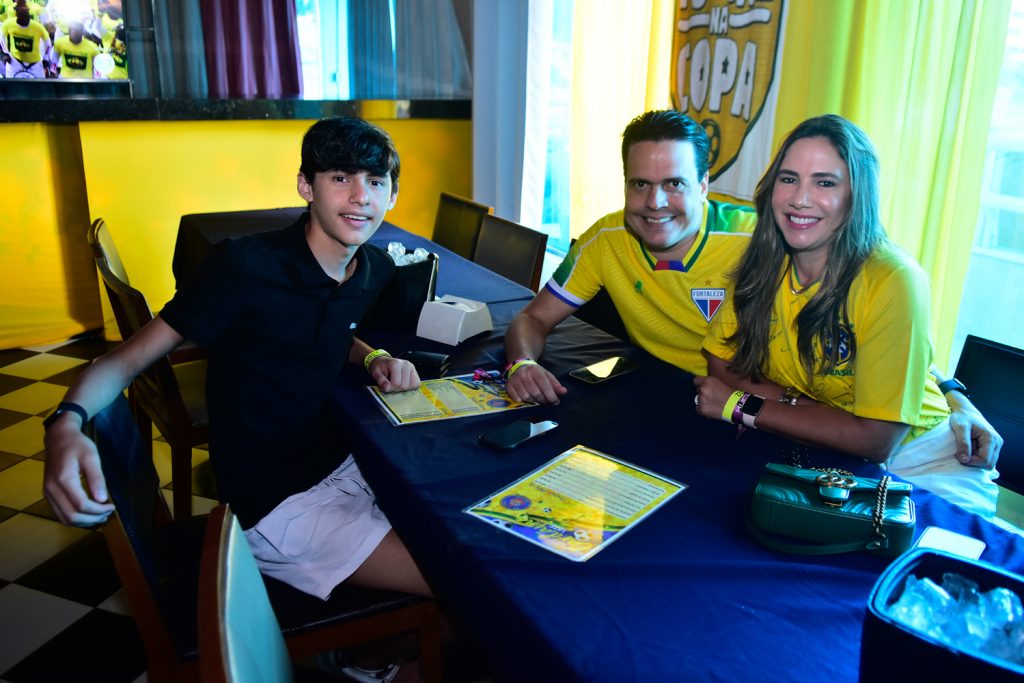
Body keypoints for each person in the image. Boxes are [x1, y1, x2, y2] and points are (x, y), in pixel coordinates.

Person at [43, 117, 434, 603]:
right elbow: (121, 363)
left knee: (458, 530)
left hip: (342, 461)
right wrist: (65, 423)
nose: (360, 196)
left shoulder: (373, 269)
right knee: (459, 581)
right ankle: (373, 657)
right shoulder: (242, 268)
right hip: (276, 503)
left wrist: (372, 354)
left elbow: (326, 324)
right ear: (305, 186)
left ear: (391, 196)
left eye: (375, 182)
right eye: (340, 178)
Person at [503, 109, 1000, 468]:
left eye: (675, 183)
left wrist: (957, 396)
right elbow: (533, 317)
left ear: (704, 186)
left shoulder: (762, 237)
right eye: (640, 184)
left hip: (886, 444)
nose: (655, 201)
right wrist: (523, 362)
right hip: (731, 414)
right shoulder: (767, 251)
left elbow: (886, 335)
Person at [695, 114, 999, 518]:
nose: (800, 198)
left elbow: (876, 439)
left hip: (927, 461)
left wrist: (743, 406)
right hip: (829, 457)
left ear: (857, 196)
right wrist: (798, 407)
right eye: (788, 178)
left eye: (825, 182)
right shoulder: (762, 260)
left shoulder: (894, 278)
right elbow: (722, 361)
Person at [0, 1, 51, 79]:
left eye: (26, 12)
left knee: (39, 86)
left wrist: (46, 59)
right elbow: (1, 37)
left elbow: (48, 43)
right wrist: (5, 53)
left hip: (35, 63)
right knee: (11, 86)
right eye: (22, 13)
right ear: (16, 13)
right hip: (15, 61)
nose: (25, 16)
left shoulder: (38, 27)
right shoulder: (8, 24)